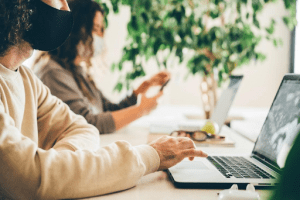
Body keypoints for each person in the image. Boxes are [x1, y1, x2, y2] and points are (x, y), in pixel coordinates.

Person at [0, 0, 207, 199]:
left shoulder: (26, 80)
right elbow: (34, 178)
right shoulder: (51, 72)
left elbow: (84, 128)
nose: (64, 7)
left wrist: (62, 167)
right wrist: (150, 155)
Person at [33, 0, 170, 134]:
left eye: (101, 29)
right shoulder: (52, 72)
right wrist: (141, 110)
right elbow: (88, 123)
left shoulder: (75, 70)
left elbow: (107, 109)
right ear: (75, 29)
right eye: (95, 29)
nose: (100, 36)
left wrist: (142, 88)